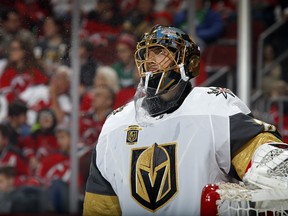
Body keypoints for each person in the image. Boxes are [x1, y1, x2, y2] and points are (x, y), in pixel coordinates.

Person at [83, 25, 287, 215]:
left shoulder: (214, 108)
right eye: (146, 53)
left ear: (189, 63)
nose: (150, 60)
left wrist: (275, 168)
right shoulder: (114, 125)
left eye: (160, 52)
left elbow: (269, 162)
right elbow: (99, 207)